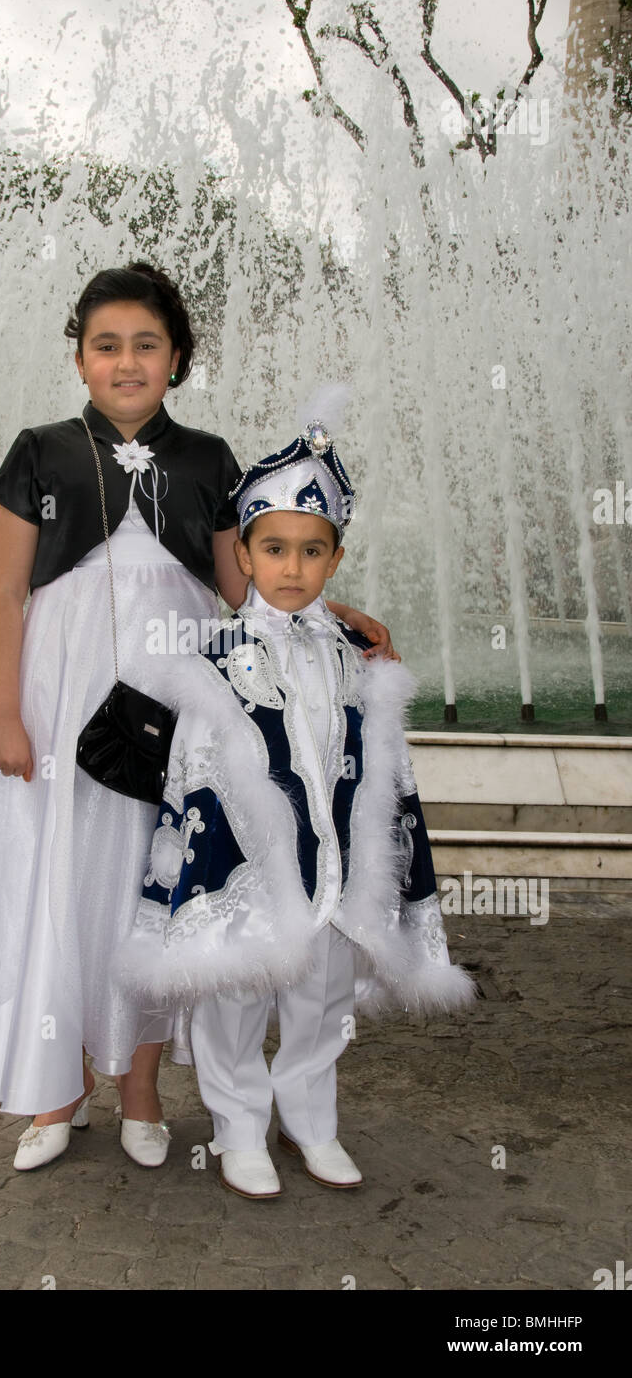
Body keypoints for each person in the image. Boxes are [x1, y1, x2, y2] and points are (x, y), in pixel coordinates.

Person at [0, 262, 398, 1173]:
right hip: (61, 701)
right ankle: (54, 1092)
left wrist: (334, 615)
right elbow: (3, 597)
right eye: (106, 345)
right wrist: (3, 713)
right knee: (60, 884)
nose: (126, 361)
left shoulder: (209, 459)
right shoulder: (39, 452)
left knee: (158, 883)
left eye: (147, 345)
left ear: (176, 359)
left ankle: (140, 1086)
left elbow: (245, 588)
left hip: (175, 708)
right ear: (79, 359)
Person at [119, 419, 477, 1198]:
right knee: (235, 1001)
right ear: (242, 555)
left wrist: (381, 862)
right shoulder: (213, 658)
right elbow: (195, 774)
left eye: (311, 551)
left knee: (321, 1006)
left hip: (338, 878)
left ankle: (310, 1122)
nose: (292, 567)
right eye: (273, 549)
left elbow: (384, 772)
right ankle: (238, 1127)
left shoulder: (358, 659)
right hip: (248, 871)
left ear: (334, 559)